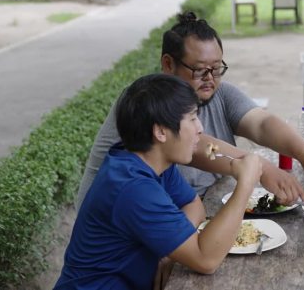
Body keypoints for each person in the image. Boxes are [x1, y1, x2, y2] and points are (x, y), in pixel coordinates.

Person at [75, 12, 304, 210]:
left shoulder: (218, 93)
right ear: (168, 64)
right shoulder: (145, 101)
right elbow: (199, 147)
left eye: (217, 68)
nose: (210, 78)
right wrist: (260, 168)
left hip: (186, 211)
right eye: (200, 70)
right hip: (124, 225)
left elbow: (261, 122)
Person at [55, 74, 263, 289]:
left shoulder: (150, 161)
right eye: (192, 118)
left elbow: (193, 205)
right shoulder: (133, 188)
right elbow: (206, 260)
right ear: (161, 131)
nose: (200, 128)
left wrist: (172, 248)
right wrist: (245, 186)